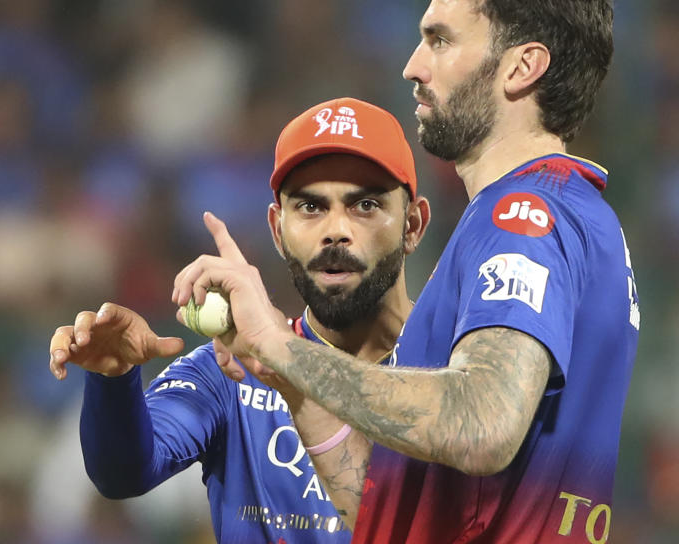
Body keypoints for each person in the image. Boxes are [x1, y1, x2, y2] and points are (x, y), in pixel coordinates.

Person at [180, 0, 640, 543]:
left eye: (440, 41)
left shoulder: (524, 215)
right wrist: (282, 370)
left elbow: (484, 423)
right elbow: (397, 509)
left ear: (523, 66)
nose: (413, 66)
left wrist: (286, 348)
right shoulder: (568, 213)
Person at [48, 97, 431, 543]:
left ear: (413, 225)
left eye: (364, 205)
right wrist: (114, 382)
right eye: (310, 207)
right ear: (277, 230)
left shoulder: (463, 373)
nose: (335, 229)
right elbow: (121, 475)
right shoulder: (230, 372)